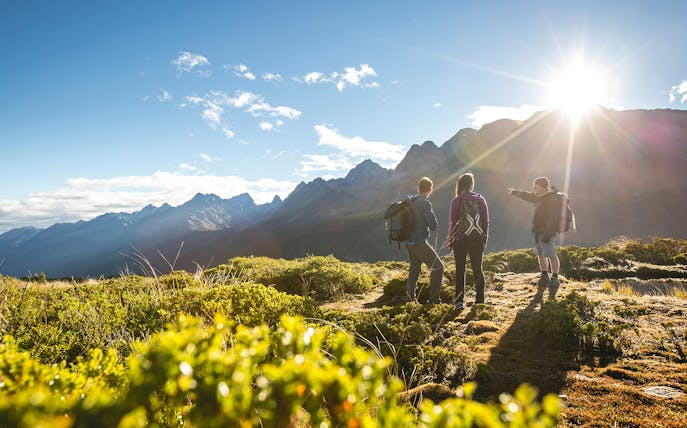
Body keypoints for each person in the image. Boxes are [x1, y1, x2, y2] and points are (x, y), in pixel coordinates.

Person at [508, 176, 561, 289]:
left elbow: (553, 218)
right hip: (537, 231)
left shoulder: (552, 199)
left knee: (551, 254)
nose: (534, 189)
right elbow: (527, 195)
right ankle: (544, 275)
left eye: (536, 187)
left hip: (547, 232)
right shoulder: (538, 197)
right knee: (540, 254)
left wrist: (548, 234)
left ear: (543, 187)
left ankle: (555, 278)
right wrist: (514, 192)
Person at [447, 172, 489, 310]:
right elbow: (485, 221)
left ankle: (459, 302)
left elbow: (453, 222)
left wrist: (450, 240)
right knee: (478, 269)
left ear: (459, 185)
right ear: (471, 184)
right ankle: (480, 300)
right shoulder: (480, 199)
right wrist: (484, 239)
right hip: (477, 239)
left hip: (459, 240)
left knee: (460, 270)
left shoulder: (456, 200)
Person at [406, 177, 444, 304]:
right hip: (420, 242)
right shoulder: (425, 203)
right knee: (438, 267)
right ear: (430, 190)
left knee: (414, 269)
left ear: (418, 188)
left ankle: (410, 299)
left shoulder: (410, 201)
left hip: (409, 243)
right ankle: (433, 300)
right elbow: (433, 225)